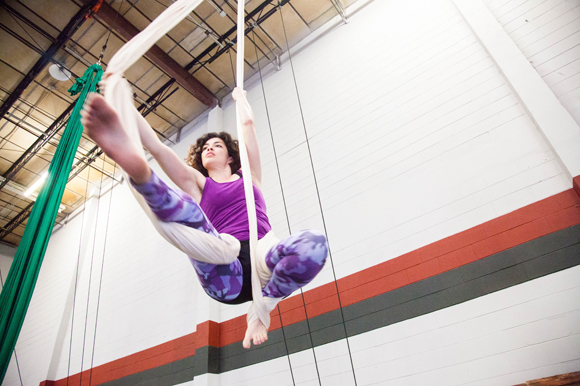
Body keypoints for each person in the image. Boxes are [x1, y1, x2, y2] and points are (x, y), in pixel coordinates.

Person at [80, 86, 328, 348]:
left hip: (263, 256)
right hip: (221, 264)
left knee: (314, 244)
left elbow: (248, 125)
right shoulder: (198, 183)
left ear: (231, 156)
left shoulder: (250, 176)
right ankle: (141, 175)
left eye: (217, 145)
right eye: (205, 147)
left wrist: (240, 98)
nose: (209, 148)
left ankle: (263, 307)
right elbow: (157, 147)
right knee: (191, 211)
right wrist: (124, 107)